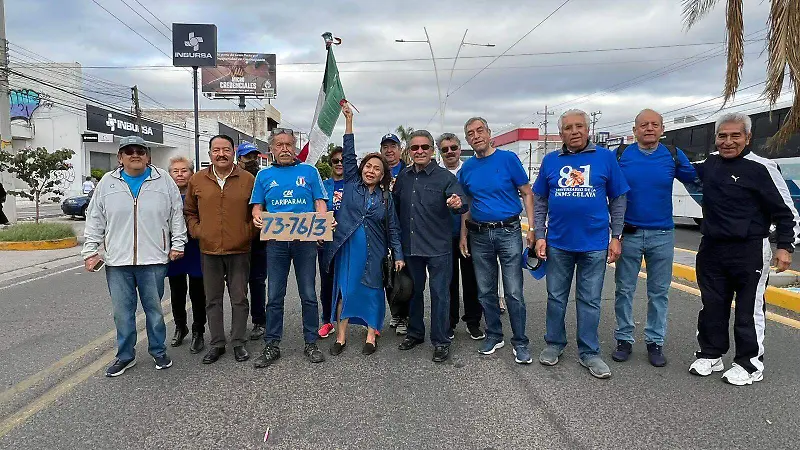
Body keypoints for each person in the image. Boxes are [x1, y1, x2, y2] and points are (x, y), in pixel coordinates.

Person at [689, 112, 800, 386]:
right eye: (722, 136)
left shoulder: (762, 167)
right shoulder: (710, 164)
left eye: (735, 136)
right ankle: (711, 354)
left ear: (748, 137)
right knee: (712, 305)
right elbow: (679, 168)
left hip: (749, 249)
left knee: (748, 309)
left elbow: (787, 212)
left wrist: (785, 246)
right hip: (712, 248)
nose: (728, 142)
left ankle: (749, 364)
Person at [533, 109, 629, 379]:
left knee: (589, 301)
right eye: (568, 128)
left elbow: (619, 199)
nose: (574, 131)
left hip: (595, 244)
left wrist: (616, 236)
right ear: (560, 132)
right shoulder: (551, 161)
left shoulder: (606, 158)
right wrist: (539, 235)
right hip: (558, 243)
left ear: (588, 130)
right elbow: (540, 201)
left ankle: (589, 352)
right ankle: (554, 343)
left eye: (579, 126)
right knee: (556, 298)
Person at [82, 136, 186, 377]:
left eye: (140, 150)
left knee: (154, 310)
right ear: (120, 157)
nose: (135, 154)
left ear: (148, 156)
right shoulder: (108, 183)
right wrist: (90, 251)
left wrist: (178, 243)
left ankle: (158, 351)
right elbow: (95, 218)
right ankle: (125, 356)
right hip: (118, 262)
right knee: (122, 312)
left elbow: (176, 215)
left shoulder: (163, 180)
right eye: (129, 151)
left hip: (153, 260)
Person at [612, 109, 698, 367]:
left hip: (662, 234)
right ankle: (624, 339)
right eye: (643, 125)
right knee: (624, 290)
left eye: (655, 125)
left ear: (662, 129)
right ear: (635, 130)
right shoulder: (621, 155)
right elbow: (605, 186)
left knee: (659, 292)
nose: (649, 129)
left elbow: (697, 179)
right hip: (629, 233)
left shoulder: (672, 154)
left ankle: (655, 342)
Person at [324, 104, 404, 355]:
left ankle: (371, 335)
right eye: (368, 166)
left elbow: (393, 227)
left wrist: (398, 255)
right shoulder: (351, 185)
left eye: (376, 169)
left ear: (383, 175)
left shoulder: (385, 198)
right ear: (362, 169)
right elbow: (348, 154)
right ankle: (341, 336)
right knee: (345, 291)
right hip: (348, 247)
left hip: (376, 250)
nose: (371, 171)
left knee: (372, 291)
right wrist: (349, 121)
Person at [458, 117, 535, 365]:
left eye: (480, 130)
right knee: (485, 290)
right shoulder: (467, 169)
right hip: (479, 235)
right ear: (467, 139)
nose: (476, 135)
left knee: (513, 291)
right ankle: (494, 334)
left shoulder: (508, 159)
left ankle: (520, 341)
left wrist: (532, 228)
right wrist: (464, 235)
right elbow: (465, 205)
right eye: (471, 133)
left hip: (509, 231)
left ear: (489, 133)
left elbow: (526, 192)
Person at [250, 128, 329, 367]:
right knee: (275, 295)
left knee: (308, 293)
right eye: (279, 145)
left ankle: (311, 342)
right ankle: (272, 344)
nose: (284, 149)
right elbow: (257, 206)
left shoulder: (309, 171)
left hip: (305, 242)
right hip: (276, 242)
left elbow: (320, 202)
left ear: (295, 147)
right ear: (271, 149)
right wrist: (257, 216)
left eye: (288, 144)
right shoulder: (263, 175)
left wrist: (322, 225)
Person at [185, 135, 256, 365]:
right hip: (209, 249)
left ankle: (238, 342)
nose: (221, 154)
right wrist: (198, 231)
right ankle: (217, 343)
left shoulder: (248, 179)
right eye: (216, 150)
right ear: (209, 154)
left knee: (239, 298)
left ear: (233, 153)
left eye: (226, 149)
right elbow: (189, 212)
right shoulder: (197, 180)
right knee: (212, 299)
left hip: (240, 249)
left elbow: (257, 211)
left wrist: (248, 232)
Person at [438, 132, 484, 341]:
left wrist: (465, 233)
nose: (450, 152)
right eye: (445, 149)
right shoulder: (436, 174)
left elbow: (472, 201)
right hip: (444, 236)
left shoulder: (469, 171)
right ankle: (449, 321)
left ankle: (473, 321)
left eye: (453, 148)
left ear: (459, 149)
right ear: (440, 152)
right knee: (448, 282)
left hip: (469, 234)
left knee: (471, 280)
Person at [166, 156, 206, 354]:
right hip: (173, 248)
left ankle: (199, 330)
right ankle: (180, 327)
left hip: (196, 247)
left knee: (198, 292)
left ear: (192, 173)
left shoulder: (198, 193)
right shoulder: (164, 194)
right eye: (175, 171)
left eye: (184, 170)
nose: (180, 174)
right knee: (177, 291)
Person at [236, 142, 268, 341]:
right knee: (237, 285)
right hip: (236, 240)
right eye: (248, 157)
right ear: (239, 159)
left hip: (259, 240)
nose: (253, 161)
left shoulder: (263, 179)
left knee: (257, 282)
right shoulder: (232, 180)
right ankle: (238, 326)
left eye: (255, 157)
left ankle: (259, 321)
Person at [381, 132, 409, 334]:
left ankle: (405, 316)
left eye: (393, 146)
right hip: (381, 232)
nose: (389, 150)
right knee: (387, 276)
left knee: (404, 277)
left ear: (400, 150)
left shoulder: (408, 172)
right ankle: (395, 313)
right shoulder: (378, 170)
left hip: (405, 231)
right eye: (385, 147)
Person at [318, 145, 345, 339]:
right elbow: (315, 209)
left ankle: (351, 320)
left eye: (343, 160)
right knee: (327, 283)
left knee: (349, 283)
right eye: (335, 161)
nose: (340, 164)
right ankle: (327, 321)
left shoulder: (355, 185)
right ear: (330, 164)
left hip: (349, 241)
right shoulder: (322, 185)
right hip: (326, 242)